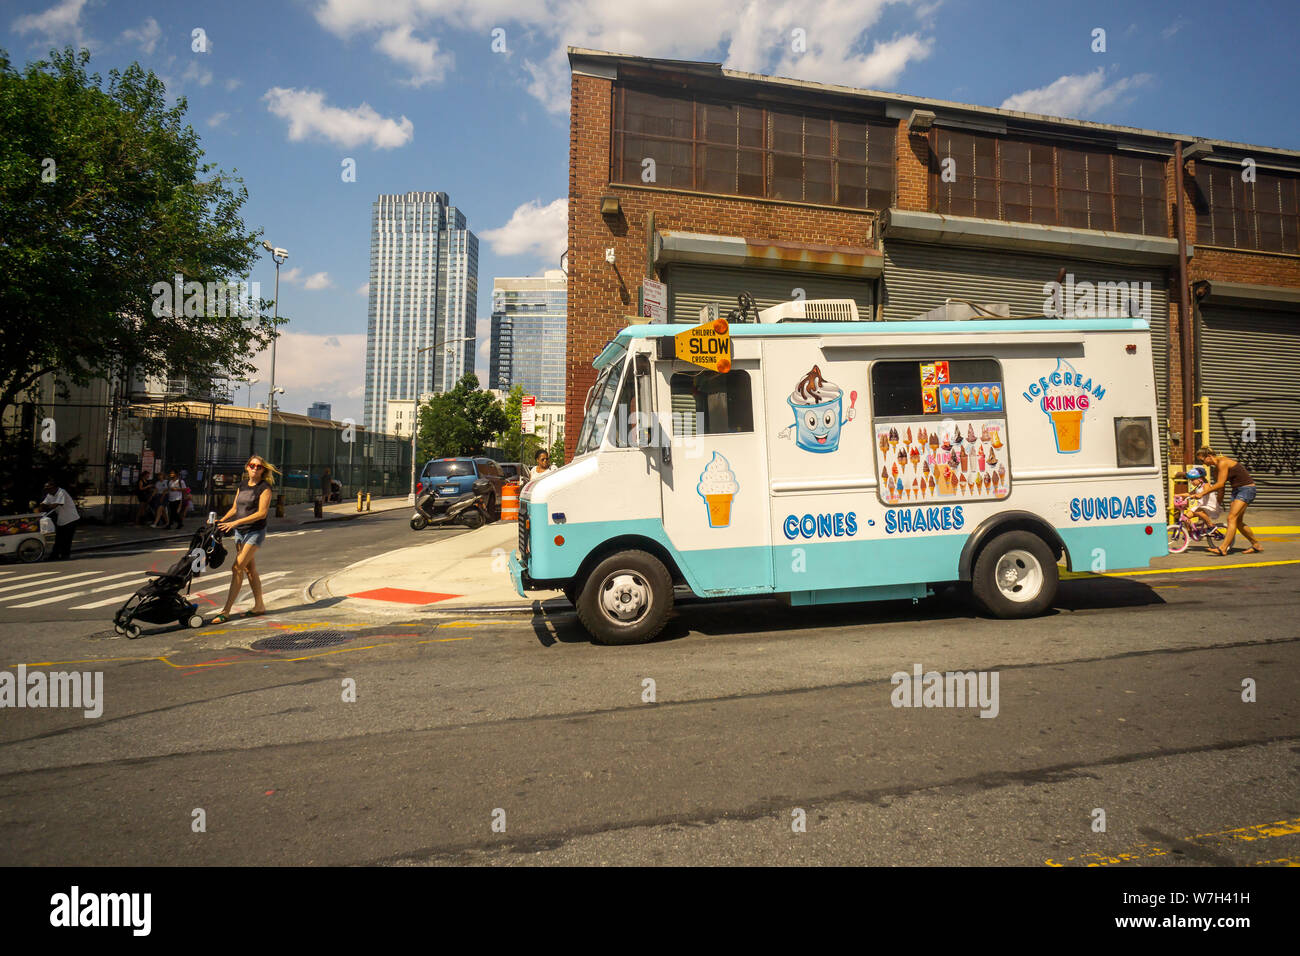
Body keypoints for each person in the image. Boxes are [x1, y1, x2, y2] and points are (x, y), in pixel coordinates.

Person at [209, 455, 276, 623]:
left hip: (255, 531)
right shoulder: (242, 485)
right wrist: (223, 520)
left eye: (258, 467)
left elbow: (262, 513)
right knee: (248, 569)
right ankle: (259, 606)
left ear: (263, 470)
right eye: (252, 465)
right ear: (247, 467)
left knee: (237, 567)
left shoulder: (264, 488)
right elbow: (235, 508)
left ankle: (225, 611)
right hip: (240, 532)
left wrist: (235, 522)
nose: (255, 468)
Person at [1191, 445, 1261, 556]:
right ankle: (1256, 545)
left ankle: (1223, 548)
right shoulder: (1216, 470)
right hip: (1237, 491)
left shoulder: (1222, 462)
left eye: (1203, 460)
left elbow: (1220, 484)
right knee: (1237, 522)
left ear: (1209, 456)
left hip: (1247, 489)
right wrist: (1217, 504)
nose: (1204, 463)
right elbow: (1221, 489)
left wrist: (1202, 493)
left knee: (1231, 518)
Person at [38, 480, 80, 560]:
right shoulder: (50, 494)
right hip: (62, 520)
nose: (48, 491)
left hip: (71, 518)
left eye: (49, 489)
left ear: (55, 488)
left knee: (67, 539)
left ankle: (65, 555)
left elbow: (55, 505)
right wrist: (42, 506)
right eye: (46, 489)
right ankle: (54, 556)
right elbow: (43, 504)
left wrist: (45, 507)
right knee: (59, 539)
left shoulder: (61, 492)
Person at [1179, 466, 1221, 535]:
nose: (1191, 482)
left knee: (1199, 511)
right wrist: (1178, 495)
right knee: (1185, 517)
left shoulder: (1206, 485)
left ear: (1200, 479)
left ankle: (1211, 526)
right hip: (1201, 507)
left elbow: (1205, 492)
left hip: (1209, 506)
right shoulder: (1198, 487)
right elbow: (1189, 494)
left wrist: (1197, 496)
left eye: (1192, 480)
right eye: (1190, 480)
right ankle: (1190, 533)